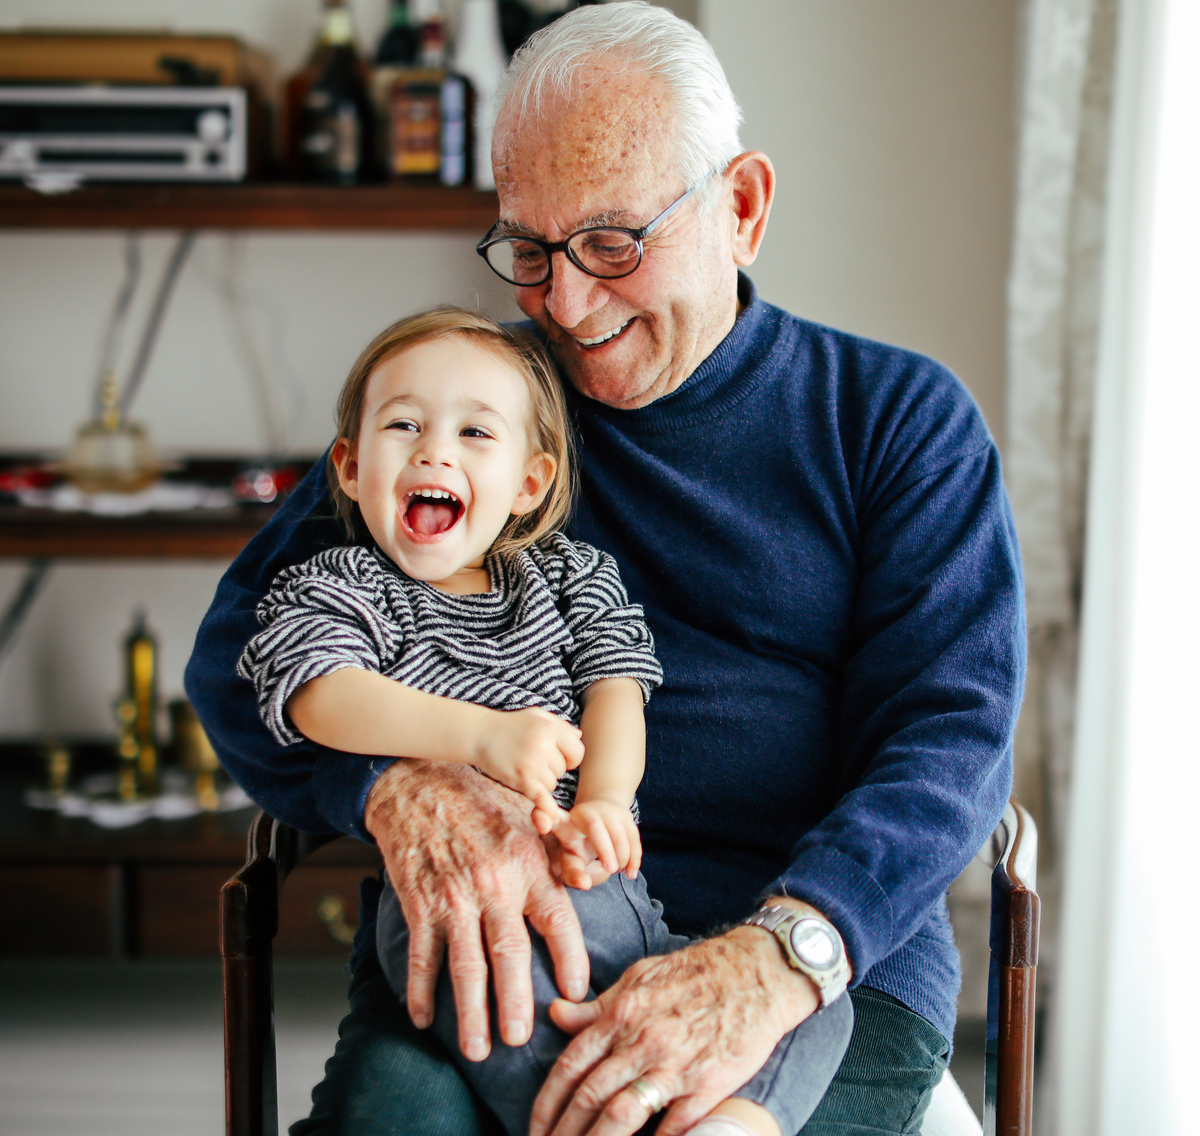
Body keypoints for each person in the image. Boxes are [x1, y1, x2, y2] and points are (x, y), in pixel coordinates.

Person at [186, 2, 1024, 1136]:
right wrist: (393, 785)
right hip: (509, 935)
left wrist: (775, 962)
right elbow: (244, 653)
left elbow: (951, 739)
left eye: (613, 244)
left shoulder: (896, 421)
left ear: (741, 208)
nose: (565, 307)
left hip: (811, 957)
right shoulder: (476, 414)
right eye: (528, 249)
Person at [235, 307, 852, 1136]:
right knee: (502, 1007)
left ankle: (733, 1124)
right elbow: (320, 693)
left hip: (616, 901)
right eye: (404, 424)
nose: (435, 450)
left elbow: (618, 691)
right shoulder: (346, 585)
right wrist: (479, 737)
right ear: (348, 467)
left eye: (474, 433)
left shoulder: (568, 577)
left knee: (816, 1003)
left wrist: (602, 799)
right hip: (461, 907)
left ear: (529, 482)